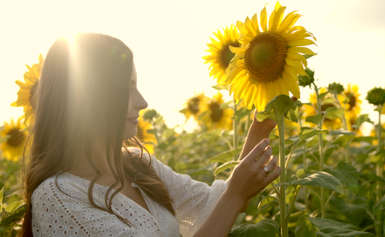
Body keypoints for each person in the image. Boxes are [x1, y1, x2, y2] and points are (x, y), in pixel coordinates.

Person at [22, 33, 280, 237]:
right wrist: (235, 194)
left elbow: (212, 205)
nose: (142, 102)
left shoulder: (135, 163)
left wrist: (260, 129)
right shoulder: (59, 198)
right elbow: (230, 198)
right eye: (127, 89)